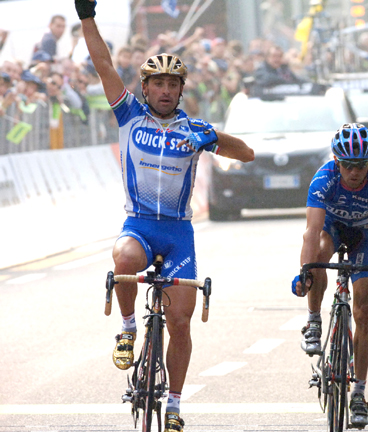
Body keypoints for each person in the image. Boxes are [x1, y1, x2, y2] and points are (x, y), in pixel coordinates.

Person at [74, 1, 254, 431]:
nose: (166, 91)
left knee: (180, 321)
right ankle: (128, 328)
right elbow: (102, 64)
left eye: (173, 84)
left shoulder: (193, 128)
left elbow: (245, 154)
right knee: (124, 261)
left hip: (178, 234)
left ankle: (174, 403)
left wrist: (214, 135)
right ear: (146, 87)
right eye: (158, 84)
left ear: (181, 89)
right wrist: (86, 17)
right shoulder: (129, 114)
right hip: (139, 224)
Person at [291, 123, 368, 428]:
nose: (355, 172)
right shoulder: (323, 178)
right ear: (337, 162)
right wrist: (304, 272)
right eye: (349, 165)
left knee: (364, 309)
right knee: (318, 255)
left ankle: (358, 393)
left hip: (367, 236)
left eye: (362, 165)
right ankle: (314, 321)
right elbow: (312, 232)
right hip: (333, 229)